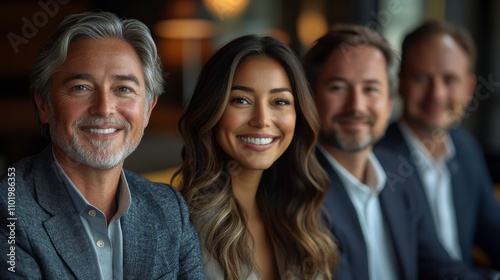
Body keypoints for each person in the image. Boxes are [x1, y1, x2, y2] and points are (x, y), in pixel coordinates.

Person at [0, 11, 203, 279]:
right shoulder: (9, 206)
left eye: (123, 89)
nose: (104, 108)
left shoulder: (168, 208)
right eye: (81, 87)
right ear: (44, 105)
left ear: (148, 109)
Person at [302, 24, 491, 280]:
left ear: (390, 102)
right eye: (338, 87)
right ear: (311, 98)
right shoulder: (298, 190)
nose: (356, 106)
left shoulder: (397, 173)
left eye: (370, 89)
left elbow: (439, 267)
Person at [174, 34, 338, 280]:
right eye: (241, 100)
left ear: (299, 116)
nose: (261, 120)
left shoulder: (301, 218)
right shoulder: (180, 225)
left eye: (280, 101)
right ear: (212, 111)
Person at [376, 20, 500, 270]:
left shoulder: (466, 149)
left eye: (450, 79)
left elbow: (493, 233)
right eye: (422, 78)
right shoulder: (376, 159)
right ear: (399, 82)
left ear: (468, 88)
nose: (437, 94)